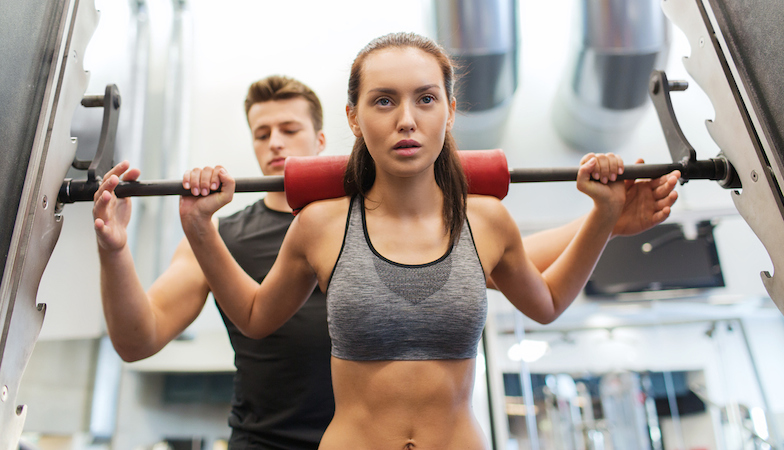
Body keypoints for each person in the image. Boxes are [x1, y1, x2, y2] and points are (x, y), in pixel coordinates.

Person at [178, 33, 681, 449]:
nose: (406, 119)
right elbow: (254, 317)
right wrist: (200, 228)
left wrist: (604, 212)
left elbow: (547, 303)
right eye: (383, 101)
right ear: (353, 118)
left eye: (425, 98)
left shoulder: (486, 220)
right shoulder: (321, 225)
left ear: (449, 110)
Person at [92, 76, 334, 449]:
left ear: (320, 140)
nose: (275, 142)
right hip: (264, 442)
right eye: (262, 132)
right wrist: (115, 251)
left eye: (289, 129)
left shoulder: (359, 225)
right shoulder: (219, 236)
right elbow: (137, 340)